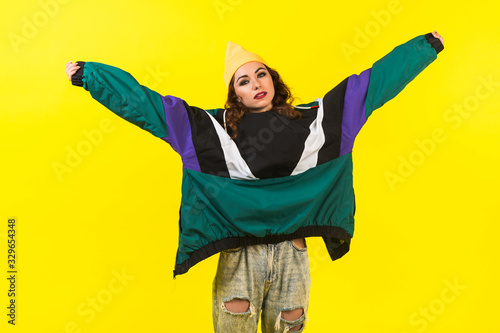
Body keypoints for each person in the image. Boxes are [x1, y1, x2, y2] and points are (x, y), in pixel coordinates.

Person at [65, 31, 444, 332]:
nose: (256, 84)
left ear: (272, 80)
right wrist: (92, 76)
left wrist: (425, 46)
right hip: (241, 255)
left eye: (261, 74)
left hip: (292, 253)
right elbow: (148, 105)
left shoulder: (315, 121)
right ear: (235, 95)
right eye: (243, 81)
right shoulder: (211, 131)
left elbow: (371, 84)